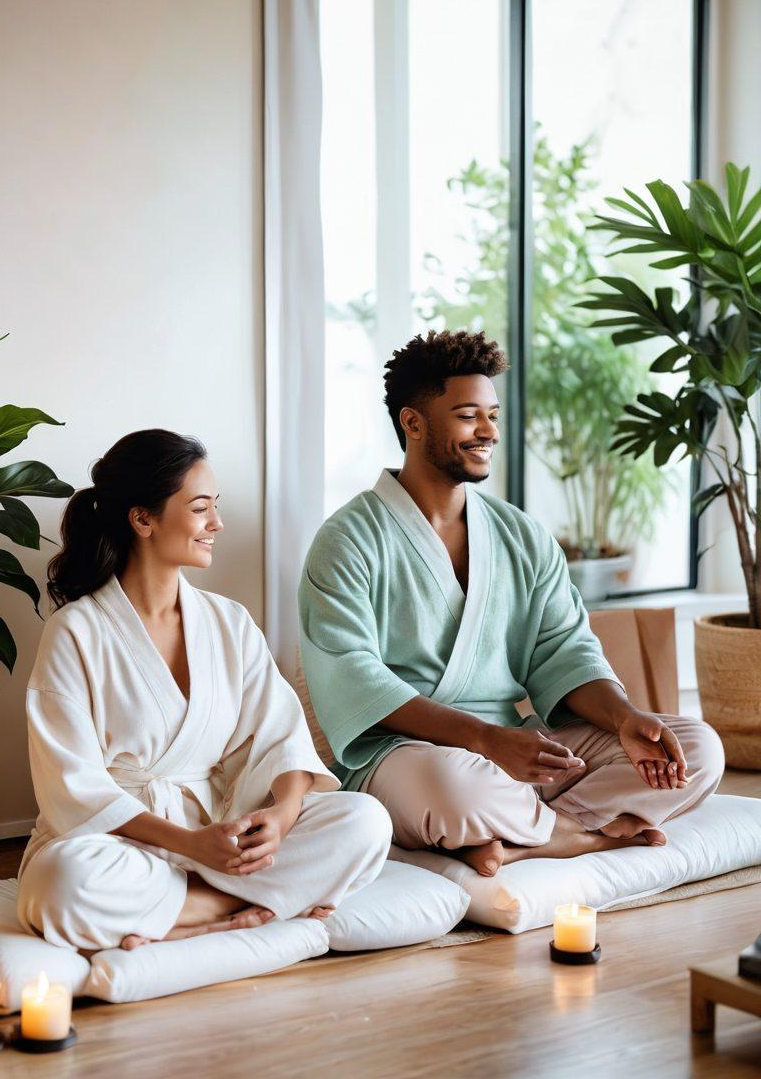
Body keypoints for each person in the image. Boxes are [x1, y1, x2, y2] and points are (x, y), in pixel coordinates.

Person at [299, 330, 724, 877]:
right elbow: (352, 678)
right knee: (452, 788)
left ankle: (529, 837)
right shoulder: (347, 540)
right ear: (413, 422)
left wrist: (624, 718)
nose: (489, 431)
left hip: (519, 750)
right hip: (409, 757)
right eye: (468, 415)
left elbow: (564, 651)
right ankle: (582, 834)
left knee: (697, 749)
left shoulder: (520, 535)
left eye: (493, 415)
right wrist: (483, 740)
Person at [17, 429, 391, 952]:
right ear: (142, 519)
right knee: (59, 883)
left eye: (216, 506)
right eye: (199, 509)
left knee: (366, 822)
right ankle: (228, 904)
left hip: (223, 833)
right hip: (122, 839)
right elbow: (70, 784)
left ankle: (182, 911)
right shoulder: (76, 632)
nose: (217, 523)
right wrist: (190, 845)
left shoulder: (228, 622)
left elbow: (281, 735)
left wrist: (281, 820)